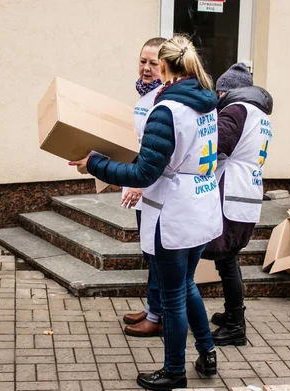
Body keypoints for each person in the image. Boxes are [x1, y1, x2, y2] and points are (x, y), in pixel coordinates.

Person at [72, 35, 222, 391]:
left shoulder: (167, 109)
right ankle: (208, 351)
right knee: (186, 286)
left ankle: (174, 371)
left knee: (173, 297)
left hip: (173, 212)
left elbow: (143, 173)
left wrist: (94, 163)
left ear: (167, 69)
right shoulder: (207, 103)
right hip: (201, 205)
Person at [201, 62, 273, 346]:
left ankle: (235, 324)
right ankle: (234, 314)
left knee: (225, 259)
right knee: (227, 258)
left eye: (218, 91)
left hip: (229, 193)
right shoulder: (259, 114)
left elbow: (213, 145)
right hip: (245, 193)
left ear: (225, 90)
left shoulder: (236, 110)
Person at [120, 37, 166, 338]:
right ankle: (152, 307)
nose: (146, 69)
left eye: (153, 63)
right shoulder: (143, 95)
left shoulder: (162, 97)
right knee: (148, 251)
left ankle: (157, 315)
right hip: (139, 183)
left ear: (166, 66)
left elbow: (158, 149)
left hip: (151, 185)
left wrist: (140, 183)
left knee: (157, 253)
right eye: (142, 61)